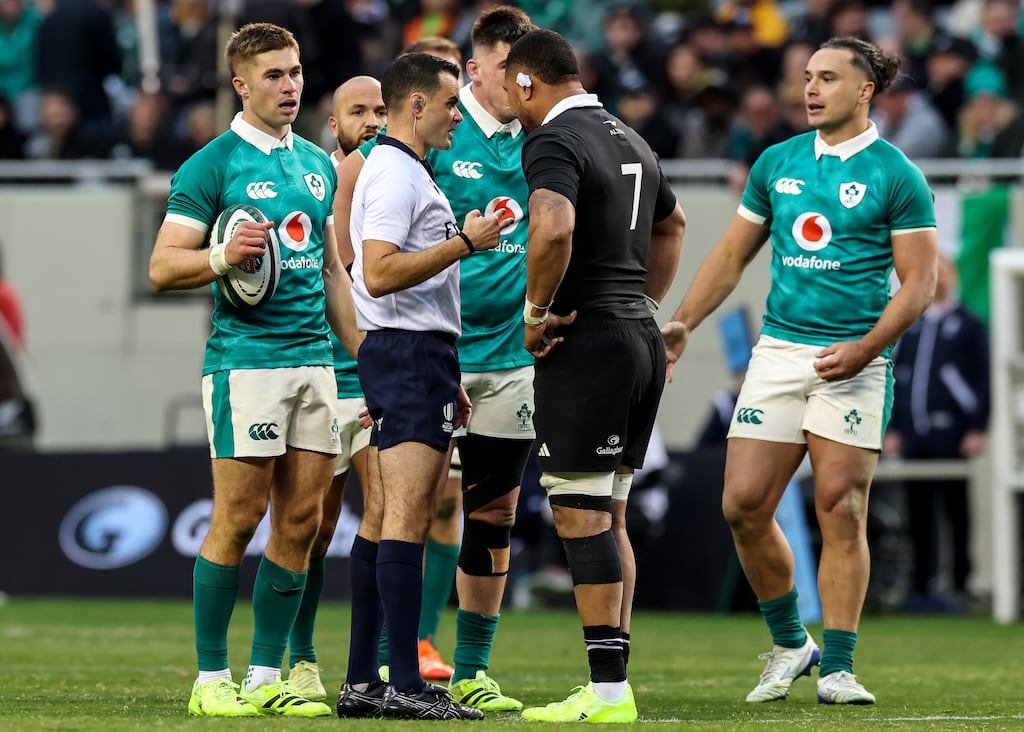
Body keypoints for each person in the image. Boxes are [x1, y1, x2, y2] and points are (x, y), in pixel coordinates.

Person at [661, 37, 938, 705]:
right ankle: (792, 643)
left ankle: (838, 667)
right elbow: (730, 256)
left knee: (840, 505)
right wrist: (683, 322)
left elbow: (919, 285)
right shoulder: (776, 161)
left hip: (854, 357)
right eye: (808, 77)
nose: (810, 89)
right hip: (780, 353)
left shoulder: (897, 174)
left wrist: (866, 349)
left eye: (828, 78)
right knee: (743, 505)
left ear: (865, 90)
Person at [148, 22, 360, 718]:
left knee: (302, 521)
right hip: (246, 365)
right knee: (239, 517)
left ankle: (266, 676)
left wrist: (367, 356)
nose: (289, 85)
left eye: (294, 72)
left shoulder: (318, 163)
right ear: (241, 85)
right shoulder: (211, 165)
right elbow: (161, 267)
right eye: (273, 75)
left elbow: (332, 272)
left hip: (316, 364)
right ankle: (211, 678)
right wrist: (221, 256)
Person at [504, 28, 686, 723]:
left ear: (527, 82)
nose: (510, 101)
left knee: (580, 514)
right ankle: (612, 682)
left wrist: (534, 313)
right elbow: (673, 225)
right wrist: (643, 304)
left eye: (510, 87)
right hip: (637, 334)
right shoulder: (629, 136)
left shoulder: (553, 138)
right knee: (609, 515)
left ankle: (608, 691)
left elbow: (552, 228)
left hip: (589, 340)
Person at [338, 51, 501, 721]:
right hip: (407, 354)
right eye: (451, 103)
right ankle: (403, 680)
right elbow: (377, 273)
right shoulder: (396, 174)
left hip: (418, 355)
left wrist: (447, 373)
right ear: (416, 105)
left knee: (385, 516)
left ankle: (362, 682)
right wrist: (466, 242)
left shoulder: (403, 169)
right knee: (407, 514)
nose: (458, 115)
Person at [282, 74, 387, 705]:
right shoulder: (313, 181)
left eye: (380, 110)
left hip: (377, 381)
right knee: (312, 529)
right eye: (359, 112)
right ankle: (301, 659)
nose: (372, 121)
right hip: (324, 377)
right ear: (334, 123)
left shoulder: (406, 180)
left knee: (390, 518)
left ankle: (378, 665)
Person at [884, 254, 990, 611]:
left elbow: (983, 378)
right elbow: (897, 377)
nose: (939, 279)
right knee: (918, 513)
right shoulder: (913, 324)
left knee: (956, 512)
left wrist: (977, 427)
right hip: (915, 436)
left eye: (944, 272)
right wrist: (893, 427)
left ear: (953, 277)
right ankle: (920, 586)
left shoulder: (969, 323)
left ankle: (960, 583)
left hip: (952, 435)